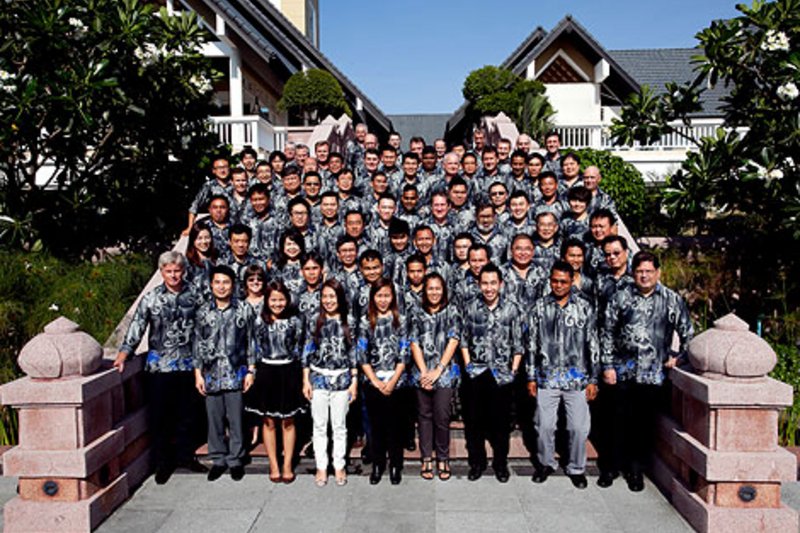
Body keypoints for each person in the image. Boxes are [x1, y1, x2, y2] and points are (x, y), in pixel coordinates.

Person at [601, 251, 693, 491]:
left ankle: (636, 470)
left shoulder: (671, 300)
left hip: (652, 374)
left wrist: (680, 358)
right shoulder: (620, 297)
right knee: (615, 422)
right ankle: (610, 467)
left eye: (649, 271)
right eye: (640, 271)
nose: (644, 276)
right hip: (622, 372)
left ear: (658, 272)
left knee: (643, 425)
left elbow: (688, 334)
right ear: (633, 273)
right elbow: (607, 333)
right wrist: (607, 366)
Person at [114, 251, 205, 484]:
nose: (173, 275)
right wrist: (124, 353)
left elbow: (205, 328)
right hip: (159, 367)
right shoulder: (151, 298)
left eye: (177, 271)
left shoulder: (195, 295)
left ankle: (186, 456)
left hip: (188, 364)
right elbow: (138, 326)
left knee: (188, 414)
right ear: (162, 272)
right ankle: (162, 462)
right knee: (160, 416)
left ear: (184, 271)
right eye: (169, 271)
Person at [528, 261, 599, 489]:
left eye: (563, 282)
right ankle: (545, 463)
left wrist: (593, 379)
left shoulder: (585, 307)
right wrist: (531, 377)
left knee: (578, 427)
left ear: (571, 282)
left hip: (577, 378)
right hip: (547, 377)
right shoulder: (539, 308)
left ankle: (576, 468)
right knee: (544, 426)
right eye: (554, 281)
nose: (558, 285)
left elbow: (593, 344)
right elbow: (531, 345)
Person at [460, 263, 524, 483]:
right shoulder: (470, 307)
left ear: (501, 284)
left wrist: (513, 370)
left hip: (502, 374)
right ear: (479, 284)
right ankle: (477, 463)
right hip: (477, 372)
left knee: (500, 424)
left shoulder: (512, 308)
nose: (489, 288)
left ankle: (500, 463)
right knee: (474, 422)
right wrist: (468, 365)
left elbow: (518, 343)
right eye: (485, 283)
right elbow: (463, 339)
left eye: (493, 283)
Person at [193, 265, 256, 482]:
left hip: (236, 373)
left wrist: (251, 370)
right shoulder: (203, 311)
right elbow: (197, 343)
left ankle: (236, 459)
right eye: (217, 282)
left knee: (236, 419)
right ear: (211, 285)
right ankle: (218, 459)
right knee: (215, 419)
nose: (222, 287)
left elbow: (251, 341)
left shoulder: (244, 309)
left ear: (233, 284)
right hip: (211, 374)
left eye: (226, 282)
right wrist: (198, 373)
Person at [246, 281, 305, 484]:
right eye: (273, 300)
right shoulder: (259, 321)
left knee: (289, 420)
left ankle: (287, 464)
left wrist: (303, 376)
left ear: (287, 300)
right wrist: (251, 371)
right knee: (269, 421)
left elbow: (301, 347)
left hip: (289, 371)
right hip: (266, 371)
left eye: (281, 300)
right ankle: (273, 464)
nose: (277, 304)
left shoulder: (295, 321)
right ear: (266, 300)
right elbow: (252, 346)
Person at [302, 279, 358, 487]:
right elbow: (307, 349)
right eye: (324, 296)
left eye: (332, 296)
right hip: (318, 378)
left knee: (339, 425)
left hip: (341, 379)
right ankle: (321, 466)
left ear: (340, 298)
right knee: (319, 425)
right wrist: (306, 379)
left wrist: (354, 380)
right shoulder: (314, 319)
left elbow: (353, 351)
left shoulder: (349, 321)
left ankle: (339, 464)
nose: (328, 300)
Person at [356, 279, 409, 485]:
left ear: (393, 297)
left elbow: (404, 352)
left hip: (397, 381)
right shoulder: (365, 321)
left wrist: (393, 380)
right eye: (379, 296)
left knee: (395, 426)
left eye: (387, 295)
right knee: (376, 426)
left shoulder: (401, 320)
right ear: (373, 297)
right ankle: (378, 464)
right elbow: (362, 354)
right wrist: (375, 381)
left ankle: (396, 464)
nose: (383, 300)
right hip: (373, 381)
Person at [410, 273, 460, 482]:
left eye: (438, 288)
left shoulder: (452, 311)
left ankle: (443, 457)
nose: (434, 292)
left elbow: (453, 340)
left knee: (442, 416)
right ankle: (426, 458)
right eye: (430, 288)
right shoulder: (416, 312)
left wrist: (438, 370)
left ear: (444, 290)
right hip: (422, 372)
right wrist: (424, 373)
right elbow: (414, 342)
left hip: (444, 373)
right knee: (424, 416)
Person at [185, 221, 217, 302]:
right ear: (193, 240)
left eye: (207, 237)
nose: (204, 242)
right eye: (199, 238)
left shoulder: (217, 259)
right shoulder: (187, 263)